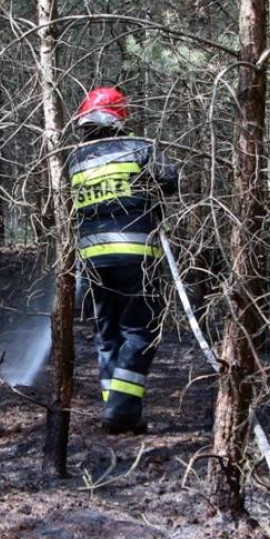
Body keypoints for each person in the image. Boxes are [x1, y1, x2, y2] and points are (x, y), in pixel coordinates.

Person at [67, 86, 178, 434]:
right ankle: (120, 411)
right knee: (141, 332)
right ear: (119, 117)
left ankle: (114, 410)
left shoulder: (75, 160)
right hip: (136, 256)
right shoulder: (140, 148)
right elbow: (171, 180)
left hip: (92, 259)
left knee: (108, 334)